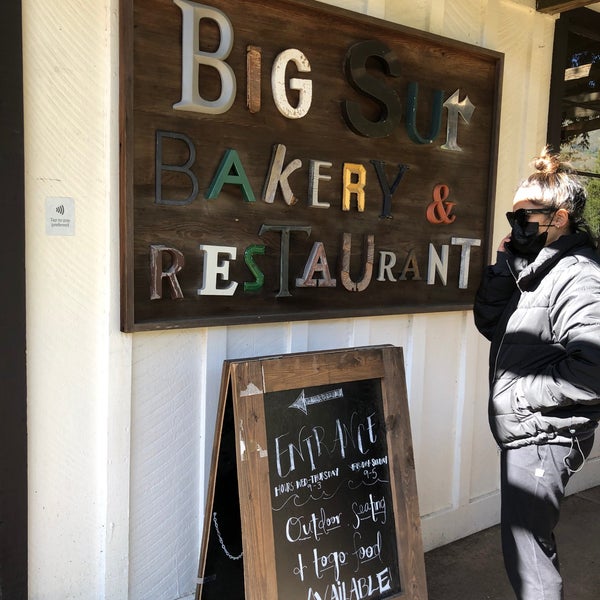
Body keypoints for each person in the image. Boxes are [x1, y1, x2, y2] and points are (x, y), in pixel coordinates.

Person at [473, 147, 600, 600]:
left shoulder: (578, 276)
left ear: (559, 218)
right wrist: (505, 267)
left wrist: (521, 398)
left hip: (546, 435)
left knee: (530, 561)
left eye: (525, 217)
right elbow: (492, 325)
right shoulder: (537, 269)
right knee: (524, 548)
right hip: (531, 429)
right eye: (513, 215)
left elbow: (594, 369)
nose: (517, 224)